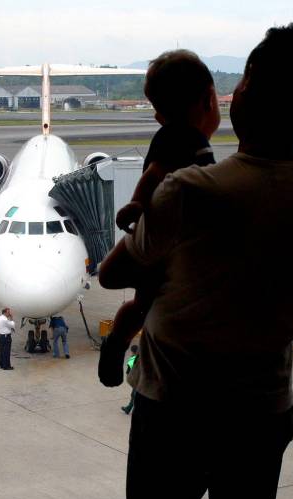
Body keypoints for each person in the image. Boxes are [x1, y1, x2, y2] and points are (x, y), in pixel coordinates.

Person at [99, 23, 293, 499]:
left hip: (174, 409)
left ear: (240, 93)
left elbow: (113, 274)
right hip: (262, 412)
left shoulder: (189, 190)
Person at [98, 49, 221, 386]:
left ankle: (116, 343)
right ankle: (117, 342)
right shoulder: (183, 137)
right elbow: (155, 173)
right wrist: (137, 203)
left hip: (165, 234)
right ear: (208, 99)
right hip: (165, 231)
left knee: (141, 303)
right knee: (144, 301)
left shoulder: (174, 134)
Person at [120, 344, 139, 415]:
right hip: (141, 379)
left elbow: (128, 371)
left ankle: (129, 409)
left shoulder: (132, 358)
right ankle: (128, 408)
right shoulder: (142, 357)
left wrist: (129, 379)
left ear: (132, 351)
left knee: (134, 395)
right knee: (134, 394)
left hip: (137, 380)